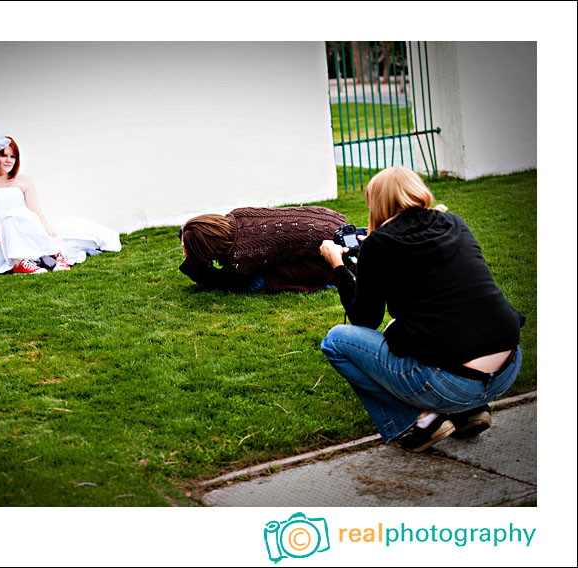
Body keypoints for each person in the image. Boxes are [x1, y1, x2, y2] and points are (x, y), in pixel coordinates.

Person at [318, 166, 524, 452]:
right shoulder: (454, 222)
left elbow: (364, 319)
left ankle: (422, 421)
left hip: (452, 382)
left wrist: (339, 266)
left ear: (374, 201)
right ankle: (471, 411)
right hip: (508, 365)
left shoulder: (379, 244)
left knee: (336, 341)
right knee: (402, 330)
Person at [0, 136, 121, 274]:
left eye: (13, 156)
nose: (8, 160)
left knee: (23, 216)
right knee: (10, 217)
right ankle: (20, 263)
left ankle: (58, 255)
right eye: (3, 155)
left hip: (24, 222)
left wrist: (45, 228)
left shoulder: (24, 180)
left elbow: (35, 210)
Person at [178, 206, 347, 293]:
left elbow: (219, 281)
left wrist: (191, 261)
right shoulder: (237, 215)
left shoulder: (240, 258)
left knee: (256, 283)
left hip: (327, 252)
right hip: (326, 218)